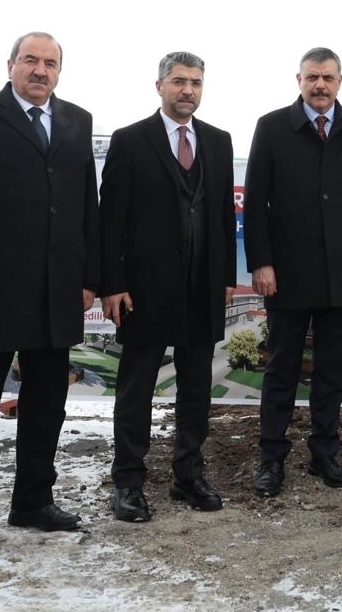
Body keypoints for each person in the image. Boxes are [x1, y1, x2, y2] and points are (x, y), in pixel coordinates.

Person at [0, 32, 100, 556]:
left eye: (50, 63)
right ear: (10, 65)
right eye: (30, 60)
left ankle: (33, 500)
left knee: (46, 405)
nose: (40, 70)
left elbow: (86, 206)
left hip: (56, 293)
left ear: (59, 71)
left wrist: (89, 279)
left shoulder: (77, 121)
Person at [244, 48, 342, 497]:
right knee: (281, 370)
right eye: (312, 77)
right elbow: (255, 201)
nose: (320, 85)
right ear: (299, 80)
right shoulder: (272, 127)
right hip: (286, 275)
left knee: (331, 371)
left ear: (340, 81)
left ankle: (324, 452)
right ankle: (272, 458)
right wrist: (261, 262)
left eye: (328, 77)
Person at [99, 52, 237, 522]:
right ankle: (128, 482)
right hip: (143, 290)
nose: (187, 90)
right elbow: (111, 219)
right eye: (179, 81)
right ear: (159, 86)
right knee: (136, 391)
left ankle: (189, 475)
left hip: (202, 288)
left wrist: (224, 279)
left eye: (195, 82)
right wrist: (112, 283)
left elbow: (223, 217)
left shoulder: (218, 141)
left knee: (196, 390)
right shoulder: (129, 140)